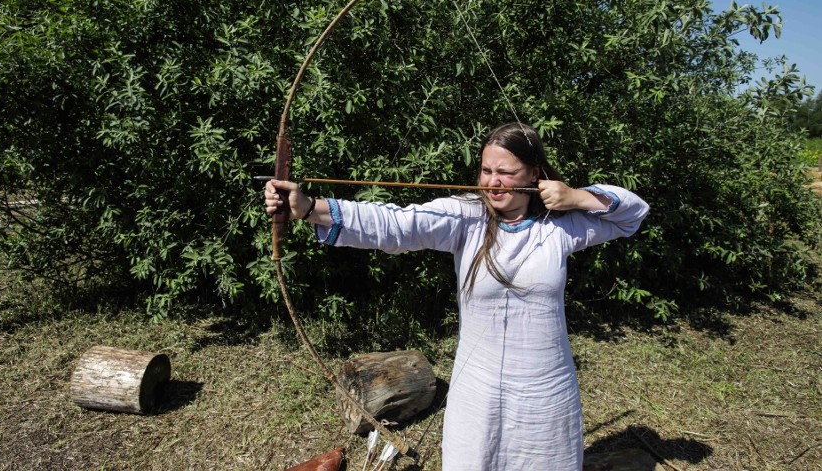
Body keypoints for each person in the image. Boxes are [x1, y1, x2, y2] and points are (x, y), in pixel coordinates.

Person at [264, 122, 649, 471]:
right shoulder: (467, 216)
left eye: (506, 173)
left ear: (534, 174)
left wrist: (577, 196)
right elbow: (397, 224)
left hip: (543, 384)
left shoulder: (562, 225)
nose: (493, 183)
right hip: (478, 386)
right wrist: (309, 208)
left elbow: (633, 212)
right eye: (486, 171)